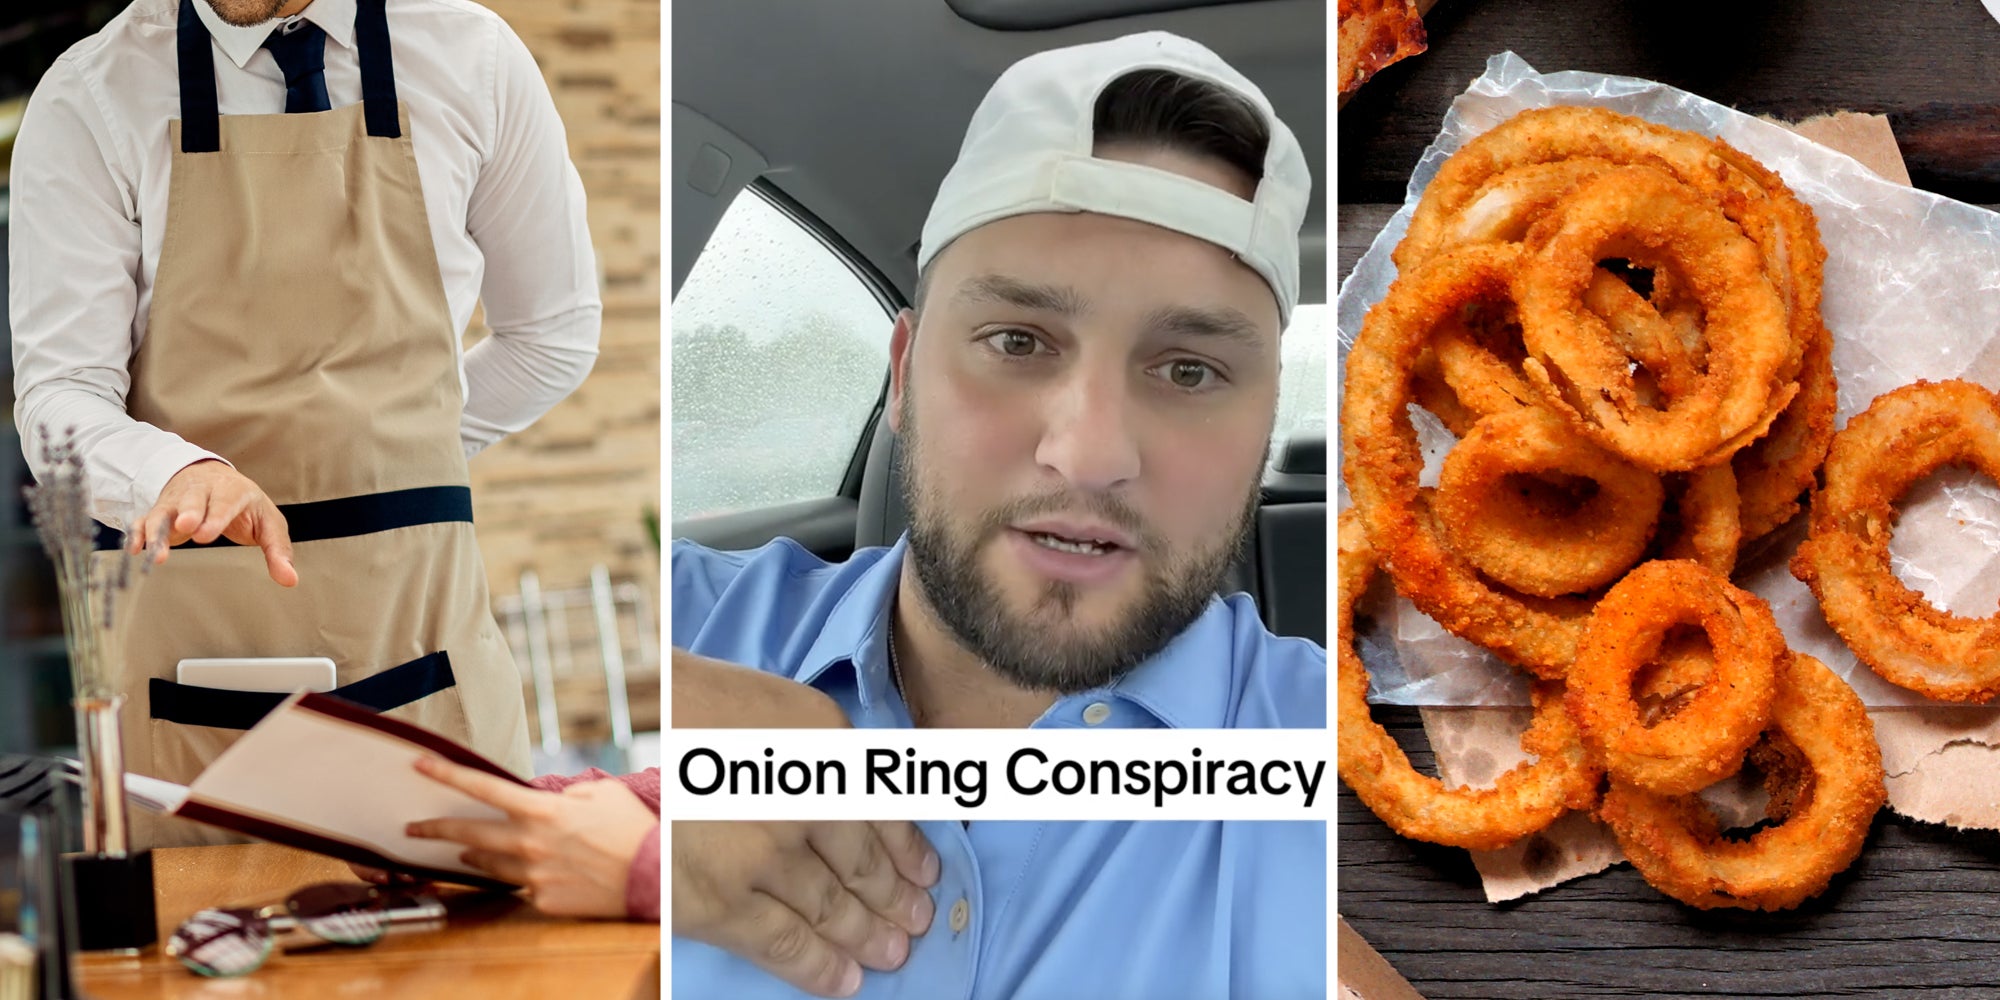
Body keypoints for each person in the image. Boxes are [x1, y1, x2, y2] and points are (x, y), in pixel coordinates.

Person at [670, 32, 1325, 1000]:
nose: (1089, 453)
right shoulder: (673, 625)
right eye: (1017, 341)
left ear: (1264, 425)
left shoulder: (1343, 759)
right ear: (902, 377)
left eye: (1189, 370)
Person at [8, 0, 600, 848]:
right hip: (187, 689)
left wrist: (395, 459)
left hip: (423, 653)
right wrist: (173, 474)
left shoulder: (474, 58)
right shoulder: (90, 95)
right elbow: (60, 399)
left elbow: (552, 338)